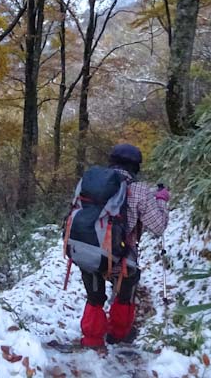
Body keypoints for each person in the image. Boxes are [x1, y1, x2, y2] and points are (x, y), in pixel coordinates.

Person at [73, 143, 169, 348]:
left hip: (87, 250)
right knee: (126, 291)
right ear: (136, 166)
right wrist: (161, 200)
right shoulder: (140, 190)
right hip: (122, 258)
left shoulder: (88, 182)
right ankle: (118, 335)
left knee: (94, 296)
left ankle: (91, 340)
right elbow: (158, 227)